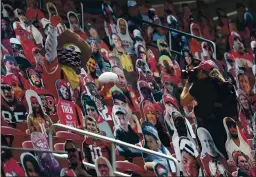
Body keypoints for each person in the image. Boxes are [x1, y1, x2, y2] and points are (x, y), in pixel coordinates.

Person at [180, 60, 238, 157]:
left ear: (202, 72)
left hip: (208, 127)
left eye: (198, 71)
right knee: (228, 152)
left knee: (213, 155)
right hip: (225, 125)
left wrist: (187, 84)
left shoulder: (199, 85)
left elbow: (183, 101)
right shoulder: (223, 84)